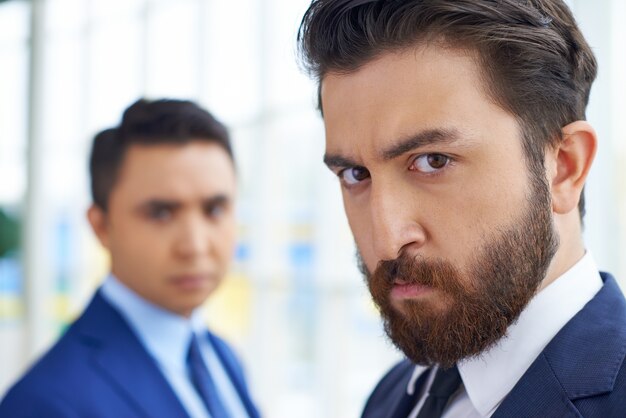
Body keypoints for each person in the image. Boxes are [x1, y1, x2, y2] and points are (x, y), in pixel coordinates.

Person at [298, 1, 625, 417]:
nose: (386, 240)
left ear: (563, 168)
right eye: (355, 174)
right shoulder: (394, 394)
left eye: (433, 160)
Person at [0, 99, 260, 418]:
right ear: (101, 226)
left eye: (214, 210)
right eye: (161, 213)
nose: (195, 245)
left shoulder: (221, 356)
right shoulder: (45, 403)